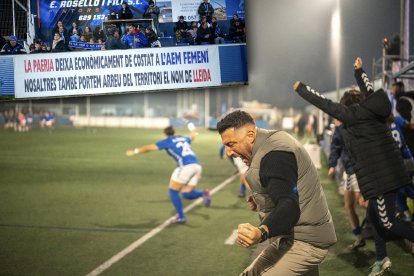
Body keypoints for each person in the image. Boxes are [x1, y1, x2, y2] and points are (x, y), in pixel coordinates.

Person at [293, 57, 414, 276]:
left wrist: (302, 89)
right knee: (374, 216)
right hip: (390, 172)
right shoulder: (375, 110)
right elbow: (369, 90)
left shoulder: (353, 116)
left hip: (380, 178)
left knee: (387, 222)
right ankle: (381, 258)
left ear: (346, 108)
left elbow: (325, 104)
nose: (338, 115)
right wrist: (360, 72)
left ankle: (385, 255)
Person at [217, 110, 337, 275]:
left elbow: (289, 205)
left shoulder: (274, 155)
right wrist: (265, 198)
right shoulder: (271, 143)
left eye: (231, 144)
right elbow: (288, 187)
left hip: (305, 241)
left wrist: (261, 232)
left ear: (250, 135)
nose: (229, 152)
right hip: (298, 235)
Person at [126, 126, 211, 224]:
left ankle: (181, 218)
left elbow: (149, 148)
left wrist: (135, 151)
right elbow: (192, 136)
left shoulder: (167, 141)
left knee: (173, 191)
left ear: (164, 134)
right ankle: (203, 193)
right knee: (186, 193)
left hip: (185, 167)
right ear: (174, 132)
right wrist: (193, 130)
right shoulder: (183, 138)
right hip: (197, 166)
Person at [328, 117, 366, 250]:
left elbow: (335, 147)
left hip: (354, 169)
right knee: (349, 205)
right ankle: (360, 237)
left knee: (360, 202)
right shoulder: (361, 124)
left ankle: (385, 217)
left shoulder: (342, 128)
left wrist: (332, 165)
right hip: (355, 170)